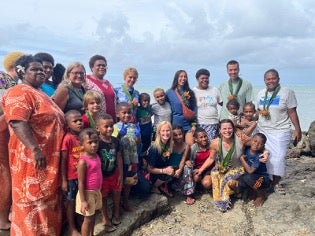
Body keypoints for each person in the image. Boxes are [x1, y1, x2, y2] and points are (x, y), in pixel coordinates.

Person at [1, 55, 65, 234]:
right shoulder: (19, 92)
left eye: (42, 70)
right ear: (21, 72)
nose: (41, 72)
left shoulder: (41, 93)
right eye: (34, 69)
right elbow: (17, 122)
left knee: (46, 201)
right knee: (32, 200)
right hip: (31, 160)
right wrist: (35, 149)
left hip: (49, 160)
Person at [255, 69, 302, 195]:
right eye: (268, 79)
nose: (270, 81)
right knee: (266, 157)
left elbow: (292, 112)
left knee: (279, 158)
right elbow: (258, 111)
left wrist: (297, 129)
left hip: (281, 130)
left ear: (278, 79)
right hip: (263, 130)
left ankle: (275, 183)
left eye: (273, 78)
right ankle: (270, 180)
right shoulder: (260, 93)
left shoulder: (287, 92)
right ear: (264, 80)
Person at [198, 119, 259, 212]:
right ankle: (218, 198)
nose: (227, 131)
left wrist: (266, 152)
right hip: (223, 167)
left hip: (238, 168)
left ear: (233, 129)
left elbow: (257, 144)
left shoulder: (241, 138)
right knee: (214, 173)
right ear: (220, 130)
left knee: (224, 179)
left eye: (229, 128)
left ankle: (224, 202)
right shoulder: (215, 143)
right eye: (224, 129)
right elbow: (211, 158)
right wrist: (201, 170)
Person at [0, 51, 24, 232]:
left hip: (9, 131)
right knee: (6, 174)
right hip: (3, 131)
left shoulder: (13, 82)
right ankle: (2, 219)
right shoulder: (4, 80)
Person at [96, 114, 123, 232]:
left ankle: (116, 213)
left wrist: (121, 174)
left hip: (114, 173)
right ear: (98, 128)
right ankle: (105, 218)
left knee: (117, 192)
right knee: (104, 197)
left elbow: (119, 157)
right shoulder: (96, 142)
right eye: (106, 126)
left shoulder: (116, 141)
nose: (109, 129)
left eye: (111, 126)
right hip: (102, 176)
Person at [112, 102, 141, 211]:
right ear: (117, 114)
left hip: (132, 160)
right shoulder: (114, 127)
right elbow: (112, 144)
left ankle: (126, 201)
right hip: (120, 161)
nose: (127, 115)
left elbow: (138, 143)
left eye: (129, 112)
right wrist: (120, 135)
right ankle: (118, 205)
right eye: (124, 113)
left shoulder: (133, 126)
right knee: (119, 183)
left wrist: (137, 135)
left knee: (129, 181)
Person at [61, 110, 83, 236]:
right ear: (68, 124)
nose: (79, 123)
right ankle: (72, 227)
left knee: (81, 199)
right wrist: (64, 180)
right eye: (75, 121)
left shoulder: (83, 136)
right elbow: (63, 160)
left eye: (80, 120)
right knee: (71, 201)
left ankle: (80, 221)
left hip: (83, 176)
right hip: (71, 177)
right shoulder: (67, 139)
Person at [76, 128, 102, 236]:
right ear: (82, 145)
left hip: (96, 191)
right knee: (87, 219)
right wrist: (83, 201)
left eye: (96, 141)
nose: (94, 145)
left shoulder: (96, 156)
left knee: (93, 216)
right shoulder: (83, 161)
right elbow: (80, 183)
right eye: (90, 142)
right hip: (87, 194)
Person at [238, 133, 270, 207]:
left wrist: (242, 160)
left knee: (248, 177)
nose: (256, 144)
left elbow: (250, 171)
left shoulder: (259, 156)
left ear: (263, 146)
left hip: (262, 179)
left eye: (260, 144)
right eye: (255, 141)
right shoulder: (246, 149)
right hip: (253, 177)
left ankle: (261, 195)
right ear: (251, 140)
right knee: (241, 179)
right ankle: (252, 190)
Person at [166, 70, 197, 145]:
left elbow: (194, 110)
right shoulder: (169, 92)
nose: (183, 78)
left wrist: (194, 125)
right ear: (176, 78)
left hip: (188, 125)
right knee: (176, 149)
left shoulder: (190, 92)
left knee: (190, 147)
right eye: (181, 76)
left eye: (185, 77)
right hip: (175, 126)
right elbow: (164, 107)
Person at [193, 68, 223, 142]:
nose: (205, 80)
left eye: (206, 78)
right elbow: (190, 110)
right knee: (204, 145)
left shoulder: (215, 90)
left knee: (214, 146)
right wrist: (193, 125)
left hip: (215, 123)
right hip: (201, 124)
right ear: (197, 79)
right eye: (202, 78)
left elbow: (223, 104)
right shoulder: (193, 92)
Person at [147, 121, 175, 197]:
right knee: (168, 174)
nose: (165, 133)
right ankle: (154, 186)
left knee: (174, 169)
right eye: (163, 131)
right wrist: (164, 171)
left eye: (168, 130)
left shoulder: (169, 145)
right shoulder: (155, 148)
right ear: (159, 132)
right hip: (154, 172)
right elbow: (149, 169)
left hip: (162, 167)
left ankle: (163, 186)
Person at [85, 55, 116, 120]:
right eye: (98, 65)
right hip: (96, 121)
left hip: (111, 120)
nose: (101, 67)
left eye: (104, 65)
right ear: (92, 67)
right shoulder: (86, 80)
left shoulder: (108, 83)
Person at [169, 125, 194, 205]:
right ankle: (166, 187)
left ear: (183, 134)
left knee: (188, 167)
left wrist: (180, 169)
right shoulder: (170, 145)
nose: (178, 137)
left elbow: (183, 159)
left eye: (180, 134)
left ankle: (189, 193)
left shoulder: (186, 146)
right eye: (175, 135)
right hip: (170, 169)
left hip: (179, 168)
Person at [189, 127, 214, 192]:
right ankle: (198, 186)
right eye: (201, 137)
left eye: (205, 136)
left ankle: (206, 185)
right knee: (196, 178)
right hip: (198, 169)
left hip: (209, 170)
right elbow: (190, 160)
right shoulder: (193, 148)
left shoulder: (211, 145)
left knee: (207, 183)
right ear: (196, 139)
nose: (204, 139)